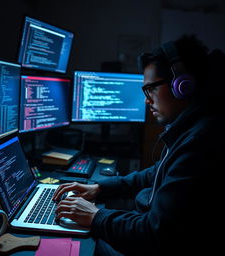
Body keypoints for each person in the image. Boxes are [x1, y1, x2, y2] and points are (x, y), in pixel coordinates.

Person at [53, 35, 224, 255]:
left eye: (150, 89)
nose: (146, 100)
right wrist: (101, 188)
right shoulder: (192, 128)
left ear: (183, 85)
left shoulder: (202, 141)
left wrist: (95, 216)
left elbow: (154, 233)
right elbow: (157, 173)